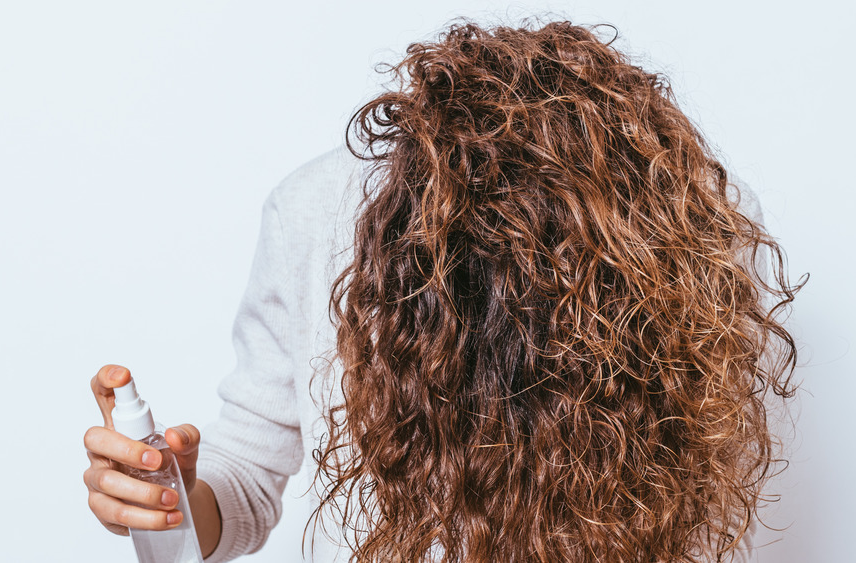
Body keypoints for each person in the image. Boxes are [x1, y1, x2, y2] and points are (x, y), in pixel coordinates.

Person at [83, 19, 801, 563]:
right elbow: (244, 472)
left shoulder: (681, 218)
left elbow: (697, 465)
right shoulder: (319, 211)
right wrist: (167, 499)